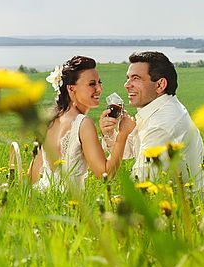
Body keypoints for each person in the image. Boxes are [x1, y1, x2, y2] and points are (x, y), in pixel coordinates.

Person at [100, 51, 204, 192]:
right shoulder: (157, 110)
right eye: (128, 78)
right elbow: (128, 150)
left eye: (135, 78)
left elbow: (139, 184)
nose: (127, 85)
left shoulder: (161, 125)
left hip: (191, 208)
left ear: (160, 85)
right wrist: (110, 134)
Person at [29, 55, 136, 190]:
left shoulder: (48, 120)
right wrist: (123, 134)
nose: (99, 89)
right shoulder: (83, 123)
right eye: (92, 84)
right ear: (71, 88)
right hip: (69, 205)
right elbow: (105, 174)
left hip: (43, 199)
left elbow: (31, 176)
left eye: (99, 83)